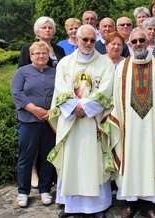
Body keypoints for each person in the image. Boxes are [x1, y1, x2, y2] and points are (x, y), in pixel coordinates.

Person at [110, 30, 155, 218]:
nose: (138, 43)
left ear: (148, 41)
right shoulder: (122, 67)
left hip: (153, 126)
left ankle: (148, 205)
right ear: (129, 44)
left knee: (151, 160)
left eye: (141, 40)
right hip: (129, 127)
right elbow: (116, 98)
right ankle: (129, 203)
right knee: (129, 160)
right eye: (134, 41)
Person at [48, 24, 114, 218]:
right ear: (77, 39)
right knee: (72, 161)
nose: (88, 43)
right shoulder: (65, 63)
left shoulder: (105, 63)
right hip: (71, 122)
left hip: (93, 122)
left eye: (92, 40)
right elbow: (60, 88)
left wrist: (84, 107)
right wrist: (74, 107)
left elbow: (107, 90)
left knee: (93, 161)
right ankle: (71, 206)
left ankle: (97, 207)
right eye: (84, 39)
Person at [12, 41, 56, 208]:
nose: (41, 56)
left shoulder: (55, 72)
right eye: (37, 53)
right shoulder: (22, 72)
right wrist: (34, 109)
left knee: (47, 157)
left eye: (44, 53)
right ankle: (23, 191)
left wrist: (52, 110)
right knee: (26, 157)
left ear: (48, 56)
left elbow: (61, 92)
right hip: (28, 121)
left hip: (49, 121)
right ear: (31, 56)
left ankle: (44, 189)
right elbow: (17, 92)